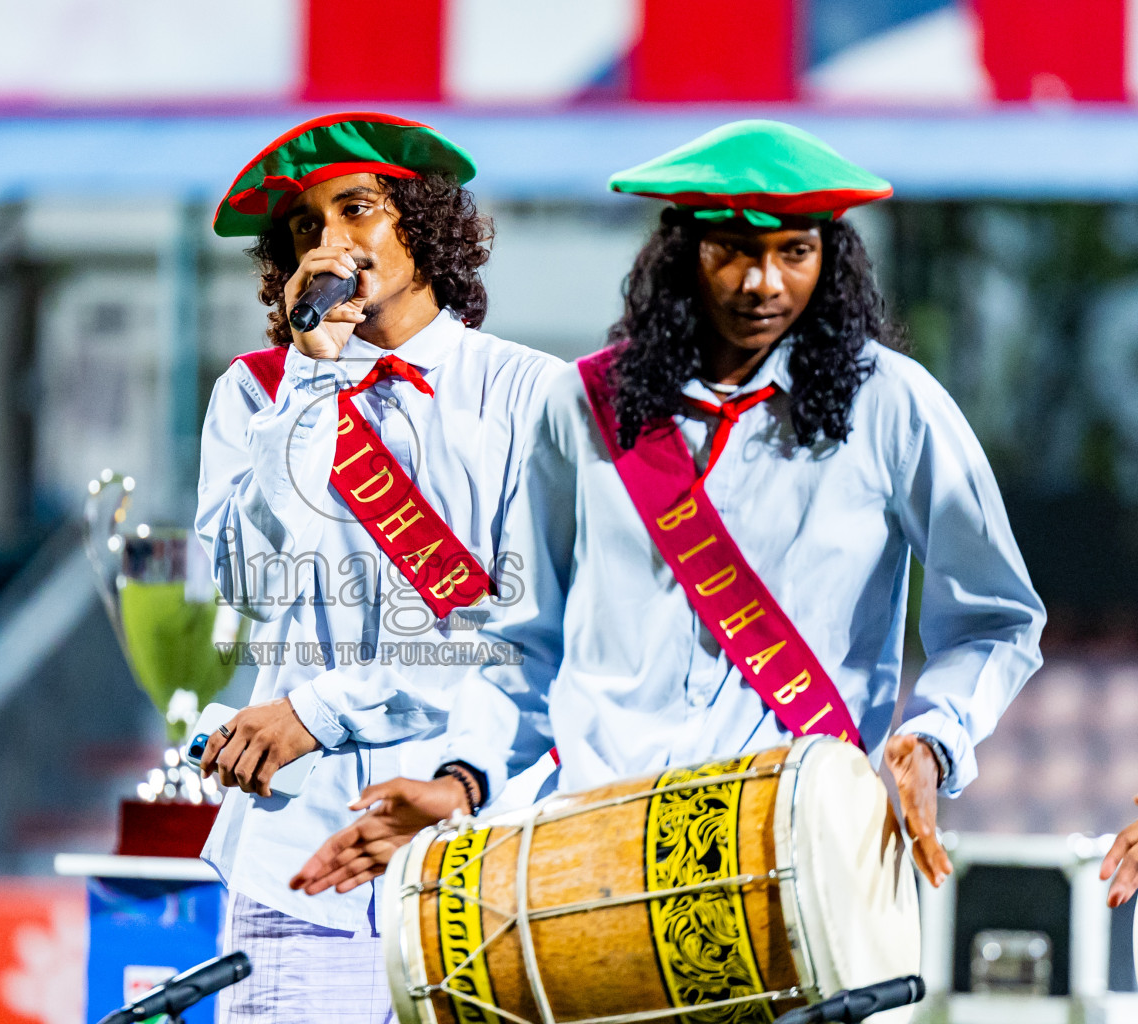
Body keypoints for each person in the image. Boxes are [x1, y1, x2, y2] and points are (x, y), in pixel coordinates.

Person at [293, 119, 1046, 898]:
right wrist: (463, 779)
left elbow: (996, 617)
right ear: (684, 255)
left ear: (831, 260)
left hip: (797, 848)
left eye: (795, 251)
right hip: (599, 845)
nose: (765, 283)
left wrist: (933, 738)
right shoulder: (582, 404)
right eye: (735, 252)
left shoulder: (893, 404)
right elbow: (525, 639)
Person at [194, 112, 561, 1022]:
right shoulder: (255, 391)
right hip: (299, 865)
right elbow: (243, 584)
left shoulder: (535, 395)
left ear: (424, 224)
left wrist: (320, 712)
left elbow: (531, 633)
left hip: (483, 857)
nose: (332, 242)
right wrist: (309, 385)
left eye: (358, 208)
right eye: (305, 228)